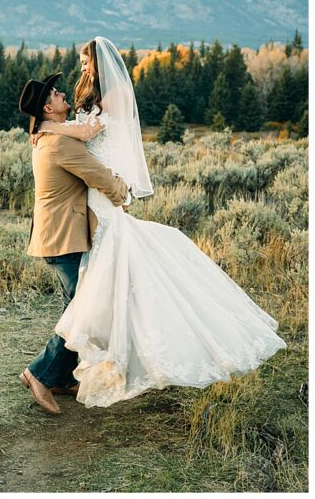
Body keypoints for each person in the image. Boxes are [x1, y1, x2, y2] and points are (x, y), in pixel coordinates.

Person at [35, 38, 285, 408]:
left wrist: (45, 125)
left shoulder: (116, 95)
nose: (83, 69)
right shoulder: (89, 103)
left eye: (87, 63)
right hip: (94, 202)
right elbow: (81, 132)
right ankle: (65, 371)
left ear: (101, 63)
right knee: (96, 294)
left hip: (102, 199)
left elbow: (87, 134)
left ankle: (56, 372)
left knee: (97, 293)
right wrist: (52, 127)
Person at [17, 73, 130, 414]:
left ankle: (63, 377)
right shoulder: (59, 143)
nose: (62, 93)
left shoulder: (50, 135)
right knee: (80, 311)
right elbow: (96, 174)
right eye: (55, 93)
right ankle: (38, 373)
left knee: (75, 307)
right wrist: (123, 191)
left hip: (59, 234)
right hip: (63, 237)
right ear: (48, 109)